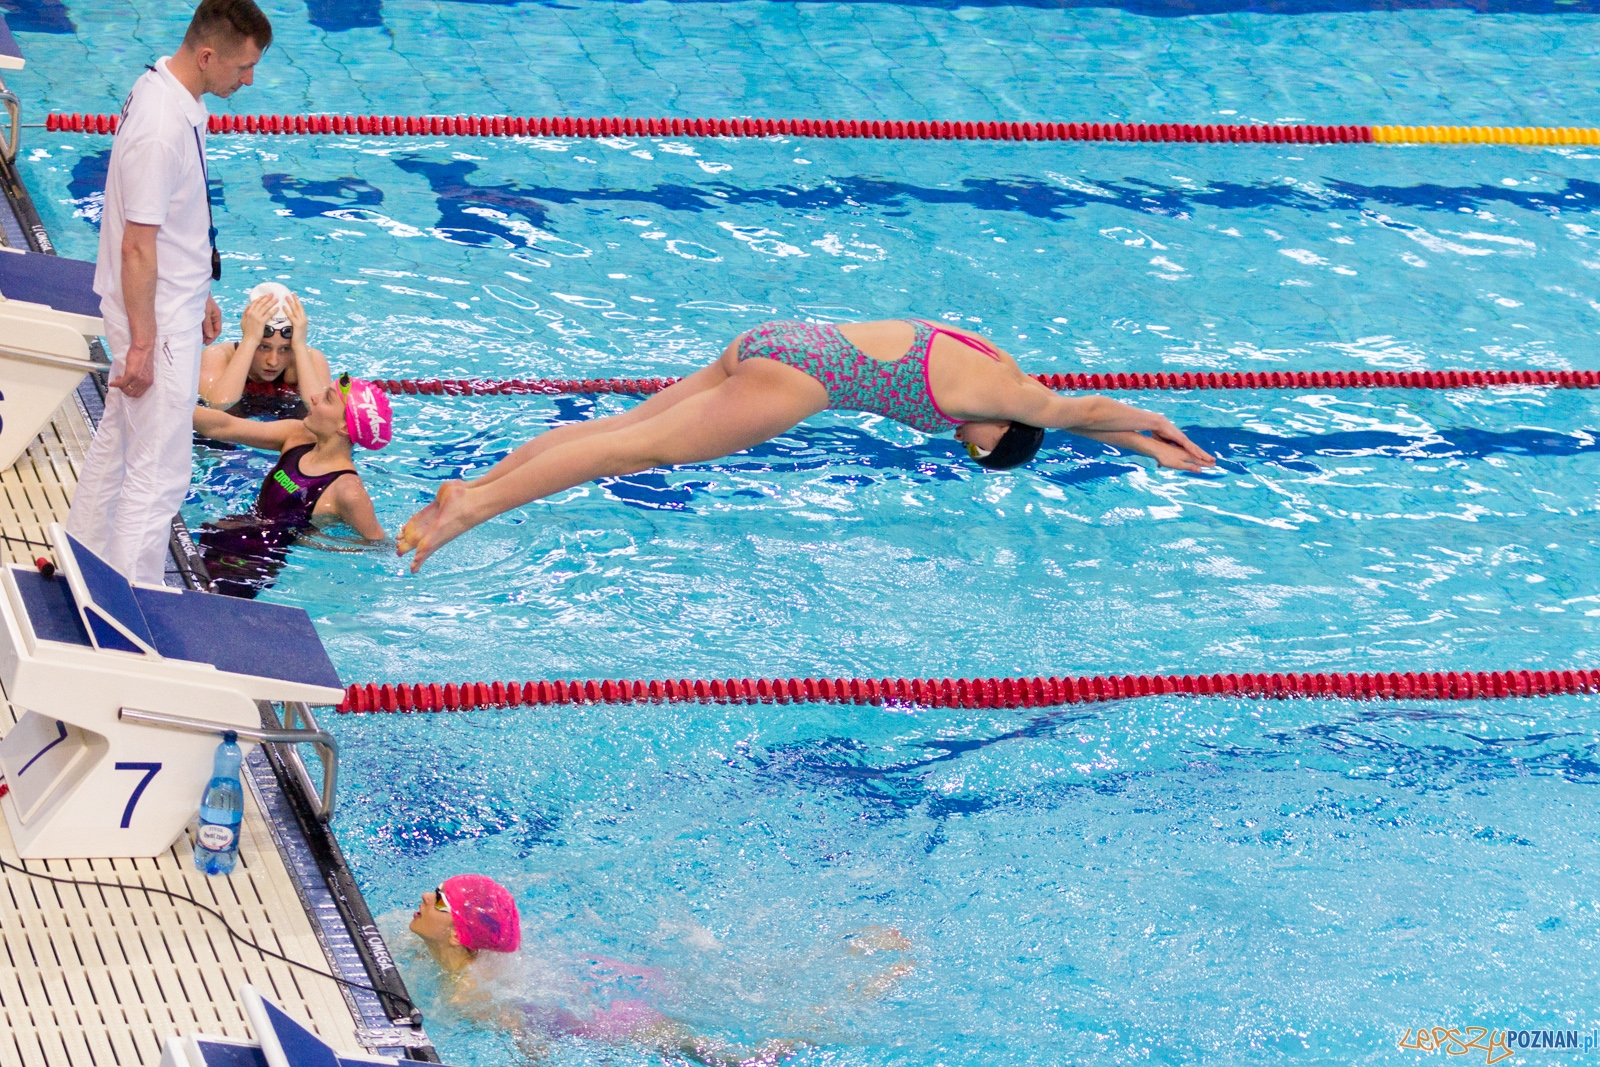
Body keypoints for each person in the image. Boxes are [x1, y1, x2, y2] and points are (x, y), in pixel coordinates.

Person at [397, 318, 1218, 572]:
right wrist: (1156, 438)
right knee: (636, 452)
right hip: (801, 375)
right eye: (981, 448)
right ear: (1007, 431)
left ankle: (479, 481)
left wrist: (1144, 446)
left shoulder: (982, 360)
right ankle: (471, 507)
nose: (966, 444)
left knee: (620, 427)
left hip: (776, 337)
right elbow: (1081, 410)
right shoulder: (1009, 396)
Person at [65, 0, 272, 583]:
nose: (248, 80)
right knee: (158, 473)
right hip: (152, 317)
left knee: (121, 444)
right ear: (207, 56)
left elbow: (173, 221)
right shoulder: (160, 129)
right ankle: (133, 608)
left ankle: (82, 563)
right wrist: (143, 344)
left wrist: (199, 287)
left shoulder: (171, 93)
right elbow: (137, 245)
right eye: (243, 68)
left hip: (163, 304)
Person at [408, 875, 814, 1064]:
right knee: (751, 981)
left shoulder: (468, 996)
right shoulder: (457, 962)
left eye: (440, 900)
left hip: (615, 1018)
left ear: (459, 936)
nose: (427, 895)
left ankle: (802, 1034)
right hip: (602, 977)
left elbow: (527, 1044)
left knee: (734, 1060)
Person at [191, 372, 389, 597]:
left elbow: (378, 547)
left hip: (253, 565)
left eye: (327, 398)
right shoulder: (297, 436)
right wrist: (174, 403)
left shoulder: (347, 491)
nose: (313, 397)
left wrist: (312, 540)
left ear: (345, 426)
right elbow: (223, 427)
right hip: (229, 530)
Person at [198, 282, 332, 413]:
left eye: (285, 349)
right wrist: (250, 341)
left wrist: (299, 347)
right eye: (263, 347)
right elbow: (218, 405)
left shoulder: (311, 359)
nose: (273, 361)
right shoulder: (218, 356)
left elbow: (321, 413)